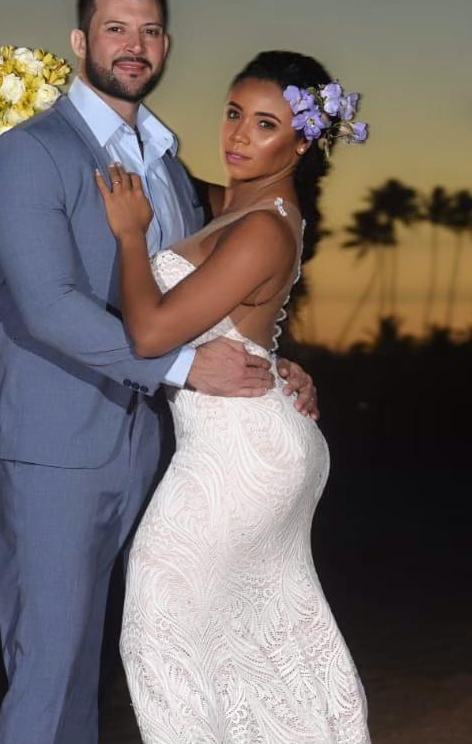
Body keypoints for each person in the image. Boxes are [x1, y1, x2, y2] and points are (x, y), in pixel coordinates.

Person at [0, 0, 321, 744]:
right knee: (50, 664)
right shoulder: (30, 154)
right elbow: (45, 307)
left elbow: (246, 249)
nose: (134, 45)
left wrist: (270, 355)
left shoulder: (166, 163)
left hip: (153, 443)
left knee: (127, 653)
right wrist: (185, 368)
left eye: (149, 30)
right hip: (54, 436)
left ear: (166, 45)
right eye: (116, 29)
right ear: (81, 42)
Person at [96, 51, 370, 741]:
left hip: (238, 454)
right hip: (254, 437)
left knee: (158, 628)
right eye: (233, 113)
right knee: (259, 645)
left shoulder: (261, 227)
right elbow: (168, 178)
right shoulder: (235, 204)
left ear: (302, 142)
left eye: (266, 124)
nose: (240, 135)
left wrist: (131, 237)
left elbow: (153, 330)